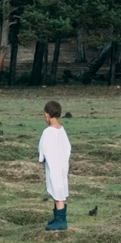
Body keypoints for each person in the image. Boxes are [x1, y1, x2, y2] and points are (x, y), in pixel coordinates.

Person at [37, 99, 71, 231]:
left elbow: (43, 147)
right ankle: (57, 216)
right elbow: (68, 147)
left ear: (46, 114)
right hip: (62, 165)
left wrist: (42, 158)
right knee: (58, 188)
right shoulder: (62, 130)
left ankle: (61, 220)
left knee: (57, 191)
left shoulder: (48, 132)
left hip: (54, 165)